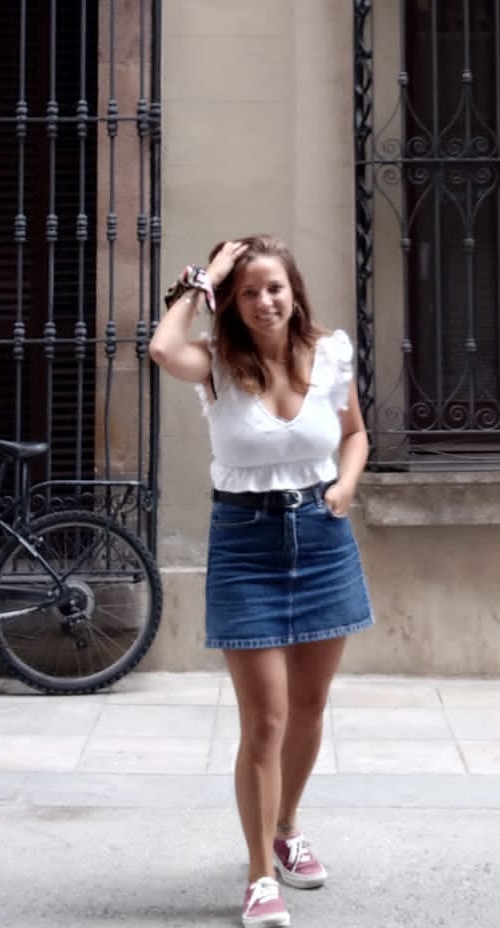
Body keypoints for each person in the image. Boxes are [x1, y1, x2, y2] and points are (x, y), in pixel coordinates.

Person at [148, 235, 374, 928]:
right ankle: (257, 875)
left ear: (294, 290)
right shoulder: (215, 364)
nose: (264, 301)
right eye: (247, 292)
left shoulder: (329, 353)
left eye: (273, 287)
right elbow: (160, 348)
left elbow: (356, 434)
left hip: (322, 538)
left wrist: (346, 488)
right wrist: (205, 276)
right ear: (232, 305)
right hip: (245, 545)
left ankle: (287, 826)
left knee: (309, 706)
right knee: (265, 719)